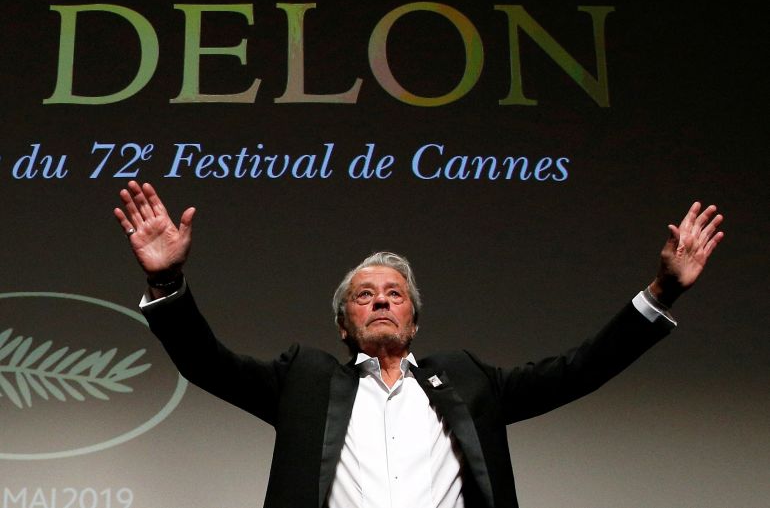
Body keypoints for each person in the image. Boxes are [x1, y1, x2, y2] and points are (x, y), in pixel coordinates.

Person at [114, 181, 724, 508]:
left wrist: (662, 292)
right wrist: (165, 279)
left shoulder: (466, 379)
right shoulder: (304, 379)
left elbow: (579, 370)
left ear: (413, 318)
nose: (381, 300)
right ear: (344, 326)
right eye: (364, 295)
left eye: (395, 294)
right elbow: (204, 362)